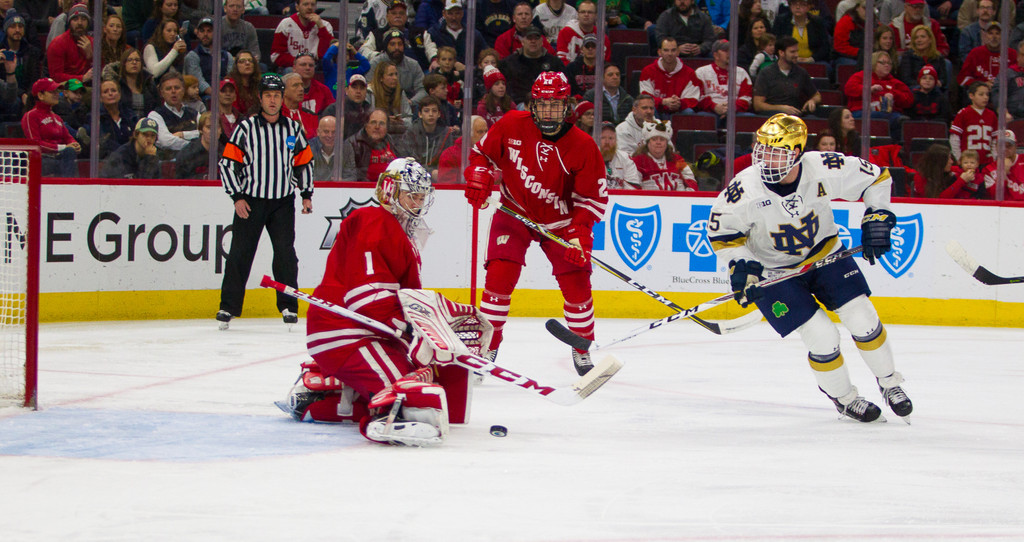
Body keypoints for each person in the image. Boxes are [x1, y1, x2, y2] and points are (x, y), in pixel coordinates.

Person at [707, 113, 913, 423]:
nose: (766, 158)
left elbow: (877, 178)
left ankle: (889, 382)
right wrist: (742, 266)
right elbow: (723, 236)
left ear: (797, 152)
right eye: (763, 149)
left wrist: (877, 215)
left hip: (825, 254)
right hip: (774, 272)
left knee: (862, 317)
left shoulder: (824, 167)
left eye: (777, 151)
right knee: (822, 336)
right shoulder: (743, 190)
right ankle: (845, 399)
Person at [276, 157, 485, 447]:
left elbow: (405, 296)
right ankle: (386, 418)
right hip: (345, 332)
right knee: (405, 389)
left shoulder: (399, 231)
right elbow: (367, 298)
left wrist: (431, 322)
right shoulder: (373, 222)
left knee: (423, 376)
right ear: (389, 190)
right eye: (411, 195)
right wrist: (412, 329)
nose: (417, 203)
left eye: (421, 197)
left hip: (369, 331)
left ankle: (321, 399)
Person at [463, 71, 607, 375]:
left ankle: (582, 349)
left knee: (578, 285)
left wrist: (580, 231)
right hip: (514, 211)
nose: (549, 111)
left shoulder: (583, 146)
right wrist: (479, 174)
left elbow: (592, 199)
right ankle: (488, 346)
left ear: (567, 106)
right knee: (499, 278)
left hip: (562, 223)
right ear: (533, 105)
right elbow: (481, 154)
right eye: (543, 104)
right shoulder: (511, 124)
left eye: (555, 105)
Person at [216, 73, 314, 329]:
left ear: (282, 98)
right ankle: (228, 307)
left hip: (282, 202)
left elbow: (304, 162)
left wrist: (306, 194)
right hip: (251, 201)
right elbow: (227, 164)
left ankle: (289, 306)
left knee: (285, 255)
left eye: (277, 95)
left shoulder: (293, 128)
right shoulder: (246, 128)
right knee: (240, 253)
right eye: (268, 95)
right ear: (260, 98)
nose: (272, 100)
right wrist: (237, 196)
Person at [843, 51, 913, 142]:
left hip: (889, 114)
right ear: (873, 63)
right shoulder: (861, 76)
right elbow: (849, 89)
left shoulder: (894, 82)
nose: (887, 65)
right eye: (883, 62)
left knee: (900, 123)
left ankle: (895, 145)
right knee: (882, 116)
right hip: (862, 112)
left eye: (889, 63)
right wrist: (869, 89)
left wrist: (894, 95)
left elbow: (909, 99)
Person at [21, 77, 80, 177]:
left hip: (59, 158)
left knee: (70, 152)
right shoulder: (31, 116)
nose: (57, 94)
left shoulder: (56, 117)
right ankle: (67, 183)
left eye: (57, 91)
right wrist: (63, 147)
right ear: (40, 95)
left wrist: (74, 144)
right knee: (68, 152)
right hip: (42, 160)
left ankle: (68, 183)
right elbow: (35, 144)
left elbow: (67, 137)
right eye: (52, 92)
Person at [497, 24, 566, 106]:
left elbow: (564, 86)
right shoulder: (509, 63)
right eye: (529, 38)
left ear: (542, 41)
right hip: (519, 104)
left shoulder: (554, 62)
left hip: (549, 103)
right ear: (522, 42)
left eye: (536, 38)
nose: (533, 41)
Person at [752, 36, 821, 115]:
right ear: (781, 53)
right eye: (792, 52)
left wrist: (813, 100)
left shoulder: (801, 73)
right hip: (772, 116)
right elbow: (758, 105)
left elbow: (817, 95)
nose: (796, 55)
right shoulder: (766, 73)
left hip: (795, 116)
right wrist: (781, 108)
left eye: (797, 51)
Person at [639, 37, 701, 119]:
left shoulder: (690, 73)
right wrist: (663, 102)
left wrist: (679, 103)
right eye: (666, 50)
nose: (670, 54)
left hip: (679, 111)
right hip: (658, 110)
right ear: (659, 52)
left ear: (678, 52)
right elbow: (645, 98)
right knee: (649, 109)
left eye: (673, 50)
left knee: (689, 112)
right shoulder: (648, 71)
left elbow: (693, 100)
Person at [695, 39, 754, 123]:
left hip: (735, 111)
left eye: (731, 50)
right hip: (710, 111)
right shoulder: (701, 72)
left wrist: (732, 107)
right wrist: (715, 107)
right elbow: (698, 96)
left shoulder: (741, 72)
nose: (730, 53)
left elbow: (747, 97)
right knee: (702, 117)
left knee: (750, 118)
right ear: (716, 55)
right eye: (726, 51)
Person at [631, 120, 697, 190]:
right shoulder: (637, 161)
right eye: (654, 139)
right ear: (647, 142)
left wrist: (689, 194)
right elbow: (634, 187)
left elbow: (690, 179)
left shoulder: (677, 159)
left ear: (667, 143)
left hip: (679, 196)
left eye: (662, 139)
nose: (658, 142)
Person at [0, 7, 43, 117]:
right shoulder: (1, 52)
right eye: (13, 26)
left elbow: (35, 78)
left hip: (28, 93)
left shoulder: (32, 52)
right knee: (15, 103)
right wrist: (21, 94)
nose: (17, 30)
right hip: (6, 94)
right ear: (6, 29)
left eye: (20, 26)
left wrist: (29, 94)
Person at [147, 70, 201, 157]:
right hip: (169, 161)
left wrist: (183, 135)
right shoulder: (155, 115)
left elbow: (206, 134)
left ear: (183, 90)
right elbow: (166, 142)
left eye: (177, 88)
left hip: (195, 161)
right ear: (161, 93)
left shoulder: (195, 113)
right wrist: (196, 146)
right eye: (168, 89)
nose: (173, 91)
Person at [369, 28, 427, 104]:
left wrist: (410, 102)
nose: (397, 47)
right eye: (392, 44)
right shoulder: (375, 63)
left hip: (409, 104)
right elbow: (369, 89)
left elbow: (422, 90)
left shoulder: (413, 65)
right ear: (386, 46)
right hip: (380, 104)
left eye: (400, 44)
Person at [424, 0, 488, 69]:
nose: (454, 18)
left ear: (462, 14)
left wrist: (469, 69)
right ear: (444, 14)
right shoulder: (433, 33)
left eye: (457, 13)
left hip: (469, 73)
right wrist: (434, 60)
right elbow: (430, 50)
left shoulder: (474, 34)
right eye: (450, 14)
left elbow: (485, 54)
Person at [270, 0, 333, 70]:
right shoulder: (285, 24)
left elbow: (326, 55)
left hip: (315, 66)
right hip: (291, 66)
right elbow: (276, 55)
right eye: (305, 4)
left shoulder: (325, 26)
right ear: (297, 7)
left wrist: (321, 27)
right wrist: (299, 63)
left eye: (312, 5)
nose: (309, 8)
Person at [401, 95, 458, 171]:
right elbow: (409, 160)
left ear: (439, 114)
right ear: (420, 114)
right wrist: (430, 171)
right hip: (416, 173)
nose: (431, 114)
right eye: (426, 111)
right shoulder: (411, 132)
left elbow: (448, 160)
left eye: (434, 111)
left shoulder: (446, 133)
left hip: (439, 174)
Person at [341, 108, 399, 181]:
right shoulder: (352, 144)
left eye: (381, 123)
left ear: (387, 128)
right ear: (366, 125)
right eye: (373, 122)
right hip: (365, 186)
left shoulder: (393, 142)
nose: (377, 127)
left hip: (392, 185)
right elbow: (350, 176)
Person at [85, 78, 137, 160]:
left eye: (113, 90)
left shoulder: (130, 115)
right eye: (105, 92)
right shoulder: (95, 117)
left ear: (119, 94)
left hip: (131, 159)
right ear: (100, 97)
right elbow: (105, 143)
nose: (110, 94)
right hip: (108, 160)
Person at [184, 17, 234, 100]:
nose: (205, 34)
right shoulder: (192, 56)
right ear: (197, 33)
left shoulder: (227, 56)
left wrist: (225, 94)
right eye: (202, 31)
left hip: (225, 94)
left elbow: (231, 78)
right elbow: (199, 82)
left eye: (209, 31)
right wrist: (217, 95)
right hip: (203, 97)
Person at [950, 81, 998, 166]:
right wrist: (958, 157)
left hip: (987, 162)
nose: (985, 97)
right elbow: (955, 138)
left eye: (987, 94)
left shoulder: (992, 115)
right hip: (968, 162)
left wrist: (994, 158)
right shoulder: (963, 113)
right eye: (981, 94)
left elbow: (995, 140)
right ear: (971, 96)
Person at [46, 2, 93, 84]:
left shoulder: (93, 43)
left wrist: (90, 57)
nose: (79, 23)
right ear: (69, 22)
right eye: (75, 19)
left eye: (83, 19)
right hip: (64, 87)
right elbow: (56, 76)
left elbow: (101, 72)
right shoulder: (58, 43)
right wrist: (82, 78)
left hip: (89, 86)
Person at [959, 22, 1014, 89]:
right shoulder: (975, 53)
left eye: (997, 33)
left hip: (1006, 91)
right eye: (990, 33)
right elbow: (963, 79)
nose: (994, 37)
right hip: (981, 91)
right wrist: (982, 84)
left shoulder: (1012, 53)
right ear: (984, 35)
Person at [913, 144, 980, 198]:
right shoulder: (920, 177)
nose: (952, 161)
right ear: (940, 162)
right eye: (948, 159)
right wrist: (961, 181)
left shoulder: (952, 170)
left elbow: (972, 170)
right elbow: (937, 201)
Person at [556, 0, 610, 64]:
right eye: (582, 12)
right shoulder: (565, 32)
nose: (586, 15)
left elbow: (606, 62)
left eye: (590, 12)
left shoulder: (601, 36)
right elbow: (561, 59)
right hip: (570, 69)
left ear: (596, 15)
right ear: (578, 14)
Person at [898, 24, 950, 91]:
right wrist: (924, 85)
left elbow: (943, 79)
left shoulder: (938, 57)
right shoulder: (908, 56)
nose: (919, 40)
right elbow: (906, 79)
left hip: (934, 88)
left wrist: (938, 82)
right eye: (916, 38)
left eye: (923, 37)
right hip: (915, 89)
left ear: (930, 39)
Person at [437, 114, 487, 182]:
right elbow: (446, 183)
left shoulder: (491, 153)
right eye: (480, 132)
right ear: (468, 134)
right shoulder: (449, 155)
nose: (485, 136)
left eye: (486, 131)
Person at [368, 60, 412, 135]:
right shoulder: (370, 92)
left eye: (396, 74)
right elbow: (367, 120)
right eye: (391, 75)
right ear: (381, 78)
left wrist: (401, 121)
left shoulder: (400, 92)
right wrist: (386, 121)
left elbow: (408, 118)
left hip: (397, 133)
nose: (395, 78)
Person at [118, 47, 160, 120]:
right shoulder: (118, 86)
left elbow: (157, 107)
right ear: (124, 64)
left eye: (137, 60)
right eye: (130, 60)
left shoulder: (149, 84)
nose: (134, 62)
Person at [176, 112, 219, 178]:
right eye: (209, 127)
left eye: (217, 127)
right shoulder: (187, 154)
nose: (213, 131)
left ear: (221, 130)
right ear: (200, 130)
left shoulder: (225, 153)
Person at [600, 121, 642, 189]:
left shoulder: (625, 158)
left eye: (610, 138)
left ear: (616, 140)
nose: (607, 142)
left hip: (622, 196)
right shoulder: (589, 158)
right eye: (603, 138)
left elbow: (633, 188)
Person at [280, 72, 318, 139]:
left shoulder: (311, 115)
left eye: (302, 85)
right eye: (295, 85)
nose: (301, 89)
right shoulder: (276, 116)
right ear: (284, 91)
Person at [991, 41, 1024, 119]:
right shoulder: (1007, 74)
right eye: (1023, 55)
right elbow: (997, 92)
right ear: (1018, 56)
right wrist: (1002, 111)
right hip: (1013, 117)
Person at [834, 0, 867, 67]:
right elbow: (840, 47)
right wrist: (860, 52)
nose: (867, 12)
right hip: (845, 56)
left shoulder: (874, 22)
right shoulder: (845, 22)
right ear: (857, 8)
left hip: (866, 55)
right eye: (864, 8)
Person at [228, 50, 260, 115]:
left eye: (250, 61)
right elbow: (233, 110)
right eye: (242, 61)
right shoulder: (231, 84)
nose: (247, 63)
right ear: (236, 66)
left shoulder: (259, 83)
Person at [308, 115, 337, 180]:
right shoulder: (308, 149)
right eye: (326, 132)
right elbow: (306, 177)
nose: (330, 135)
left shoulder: (346, 148)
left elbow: (351, 176)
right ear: (318, 132)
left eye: (334, 132)